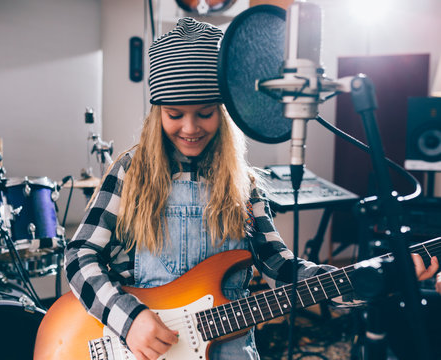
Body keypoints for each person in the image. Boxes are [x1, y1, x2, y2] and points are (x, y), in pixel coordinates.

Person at [65, 18, 438, 360]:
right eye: (174, 114)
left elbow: (281, 266)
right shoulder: (130, 172)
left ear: (224, 113)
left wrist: (369, 280)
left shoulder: (243, 183)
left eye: (206, 112)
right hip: (140, 345)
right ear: (156, 113)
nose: (190, 127)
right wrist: (129, 319)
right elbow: (80, 255)